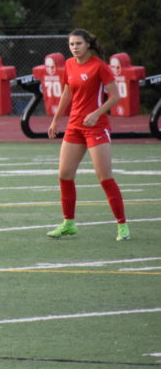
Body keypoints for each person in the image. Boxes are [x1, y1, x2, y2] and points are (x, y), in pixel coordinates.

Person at [47, 29, 129, 241]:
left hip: (96, 127)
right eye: (71, 44)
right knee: (64, 175)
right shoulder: (69, 64)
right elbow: (67, 92)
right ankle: (69, 224)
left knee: (104, 177)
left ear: (88, 45)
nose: (74, 47)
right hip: (75, 126)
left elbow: (115, 96)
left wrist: (96, 113)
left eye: (78, 43)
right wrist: (56, 119)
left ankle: (122, 226)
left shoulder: (99, 67)